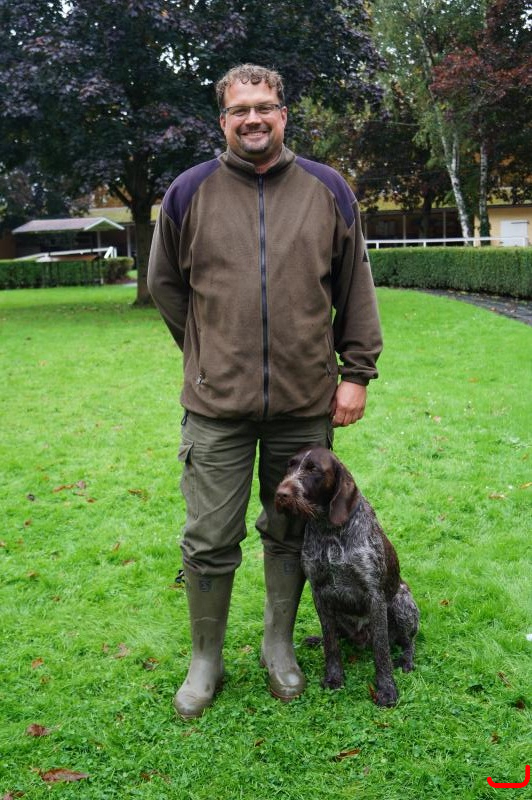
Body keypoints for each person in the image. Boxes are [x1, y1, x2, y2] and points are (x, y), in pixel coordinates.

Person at [147, 63, 383, 720]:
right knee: (208, 536)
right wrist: (207, 350)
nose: (253, 118)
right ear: (222, 120)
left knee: (290, 531)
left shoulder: (327, 190)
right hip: (216, 408)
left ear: (283, 114)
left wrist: (356, 373)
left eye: (265, 106)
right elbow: (165, 286)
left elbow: (354, 287)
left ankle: (278, 645)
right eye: (239, 109)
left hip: (304, 407)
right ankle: (206, 659)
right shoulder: (188, 192)